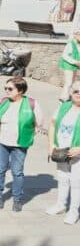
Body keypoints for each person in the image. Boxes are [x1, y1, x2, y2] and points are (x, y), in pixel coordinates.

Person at [0, 77, 43, 212]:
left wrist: (30, 134)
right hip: (2, 143)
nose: (7, 91)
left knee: (17, 172)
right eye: (5, 88)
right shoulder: (2, 102)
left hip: (20, 144)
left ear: (20, 90)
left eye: (10, 89)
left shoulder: (31, 103)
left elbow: (39, 123)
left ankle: (17, 199)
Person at [47, 82, 80, 224]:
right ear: (71, 92)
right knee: (62, 178)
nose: (79, 94)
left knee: (76, 182)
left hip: (76, 152)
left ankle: (74, 211)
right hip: (61, 151)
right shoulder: (63, 107)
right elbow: (53, 125)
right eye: (76, 91)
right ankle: (61, 205)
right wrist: (51, 145)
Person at [59, 30, 80, 101]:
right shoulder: (70, 44)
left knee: (72, 82)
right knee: (68, 82)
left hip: (74, 65)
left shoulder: (78, 44)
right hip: (68, 65)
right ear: (75, 35)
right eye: (79, 34)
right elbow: (64, 55)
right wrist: (75, 62)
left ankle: (68, 96)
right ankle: (64, 98)